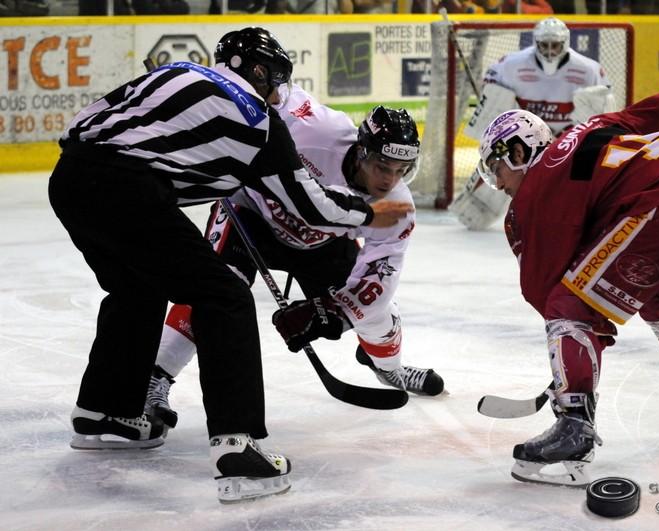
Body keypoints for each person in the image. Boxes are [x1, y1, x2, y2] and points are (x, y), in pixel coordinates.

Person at [48, 27, 413, 503]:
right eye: (276, 83)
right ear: (262, 73)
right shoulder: (259, 117)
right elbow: (309, 207)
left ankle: (105, 413)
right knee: (225, 296)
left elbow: (80, 126)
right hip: (130, 191)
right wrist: (369, 213)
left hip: (71, 178)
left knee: (136, 288)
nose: (279, 94)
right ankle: (239, 446)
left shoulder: (173, 73)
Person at [476, 88, 659, 486]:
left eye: (495, 170)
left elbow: (545, 292)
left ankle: (574, 429)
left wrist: (572, 362)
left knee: (568, 308)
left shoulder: (536, 190)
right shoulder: (596, 127)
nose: (498, 186)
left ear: (517, 153)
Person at [144, 90, 445, 433]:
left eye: (401, 170)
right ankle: (155, 379)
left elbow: (380, 276)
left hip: (323, 241)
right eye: (382, 166)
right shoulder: (317, 130)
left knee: (378, 313)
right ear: (362, 152)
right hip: (252, 214)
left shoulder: (397, 205)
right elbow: (270, 100)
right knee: (215, 288)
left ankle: (389, 366)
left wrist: (333, 316)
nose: (390, 180)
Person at [451, 16, 615, 230]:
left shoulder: (588, 69)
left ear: (565, 43)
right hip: (524, 139)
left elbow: (604, 111)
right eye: (544, 45)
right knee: (473, 214)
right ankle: (480, 200)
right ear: (535, 43)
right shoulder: (511, 64)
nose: (549, 51)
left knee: (598, 100)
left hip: (568, 139)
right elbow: (491, 86)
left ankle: (585, 203)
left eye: (555, 45)